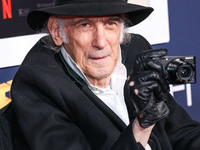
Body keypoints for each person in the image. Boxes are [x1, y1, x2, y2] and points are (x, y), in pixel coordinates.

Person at [9, 0, 200, 150]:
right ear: (57, 32)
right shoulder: (38, 84)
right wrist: (141, 126)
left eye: (111, 23)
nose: (100, 42)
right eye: (85, 25)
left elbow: (183, 133)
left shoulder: (136, 52)